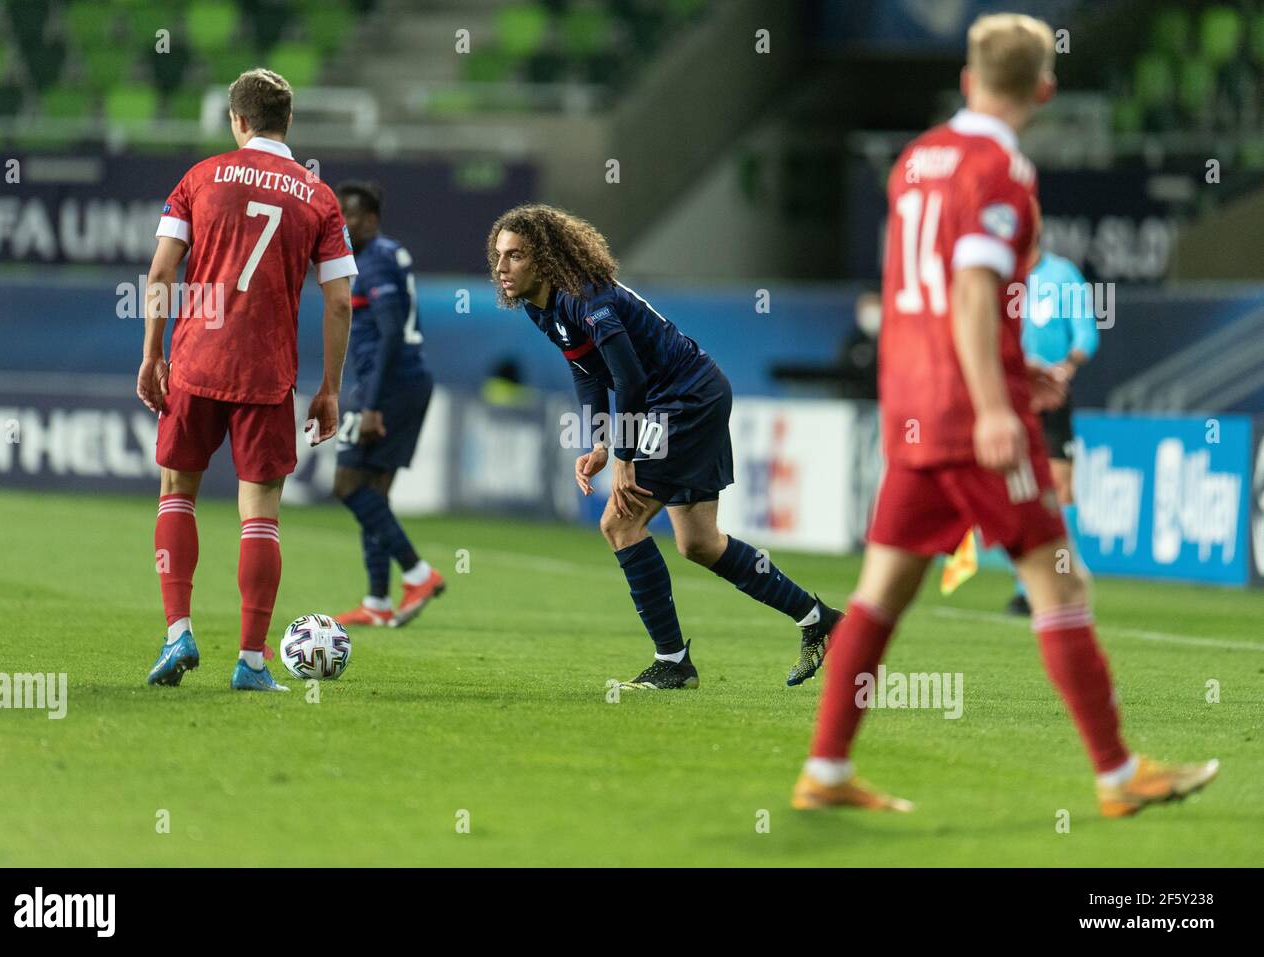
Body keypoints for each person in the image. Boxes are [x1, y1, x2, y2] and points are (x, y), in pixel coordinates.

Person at [793, 14, 1218, 817]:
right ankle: (1119, 775)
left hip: (914, 408)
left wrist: (1012, 367)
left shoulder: (916, 160)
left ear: (966, 79)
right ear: (1045, 88)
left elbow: (919, 296)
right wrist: (995, 401)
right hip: (972, 419)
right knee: (1062, 583)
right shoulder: (1000, 167)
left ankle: (827, 766)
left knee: (881, 590)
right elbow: (973, 289)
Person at [488, 204, 841, 689]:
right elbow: (585, 370)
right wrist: (598, 441)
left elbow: (629, 378)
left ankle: (673, 662)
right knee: (699, 543)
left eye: (516, 256)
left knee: (619, 521)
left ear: (544, 259)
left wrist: (624, 456)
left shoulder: (589, 298)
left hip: (685, 400)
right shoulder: (542, 307)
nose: (503, 268)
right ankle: (818, 620)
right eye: (500, 256)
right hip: (687, 397)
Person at [138, 68, 356, 692]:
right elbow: (339, 303)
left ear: (236, 120)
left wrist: (153, 353)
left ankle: (178, 632)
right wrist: (330, 388)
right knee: (259, 513)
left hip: (196, 360)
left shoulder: (200, 178)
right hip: (267, 371)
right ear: (288, 123)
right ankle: (252, 661)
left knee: (177, 490)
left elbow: (160, 273)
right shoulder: (319, 197)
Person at [329, 181, 444, 628]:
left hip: (388, 387)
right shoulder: (387, 254)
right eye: (339, 215)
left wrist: (372, 404)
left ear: (371, 219)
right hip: (404, 382)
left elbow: (391, 332)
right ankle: (377, 602)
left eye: (351, 216)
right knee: (373, 493)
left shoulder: (374, 259)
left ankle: (418, 573)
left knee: (347, 486)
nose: (343, 223)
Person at [1005, 201, 1097, 615]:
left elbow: (1086, 333)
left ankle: (1063, 574)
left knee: (1060, 486)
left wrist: (1066, 366)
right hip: (1010, 398)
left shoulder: (1063, 276)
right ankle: (1026, 587)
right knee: (1020, 490)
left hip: (1053, 396)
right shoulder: (999, 278)